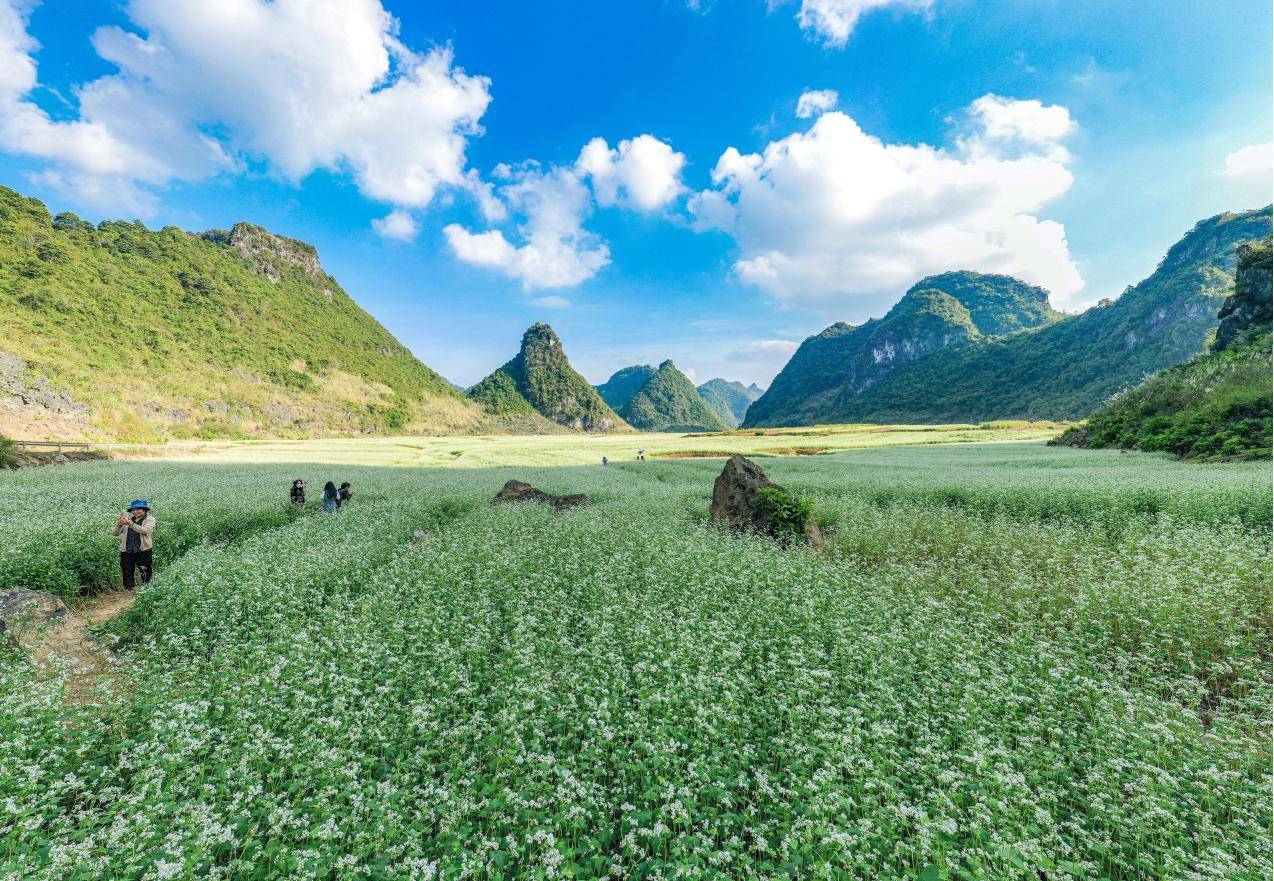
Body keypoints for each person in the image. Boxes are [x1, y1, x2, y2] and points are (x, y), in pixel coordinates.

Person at [113, 500, 155, 590]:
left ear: (144, 510)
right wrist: (119, 525)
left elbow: (145, 531)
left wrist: (131, 524)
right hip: (127, 550)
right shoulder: (128, 520)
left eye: (138, 509)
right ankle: (129, 591)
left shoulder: (150, 519)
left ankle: (146, 589)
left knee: (145, 570)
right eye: (133, 510)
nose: (135, 511)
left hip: (143, 550)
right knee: (127, 571)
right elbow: (115, 533)